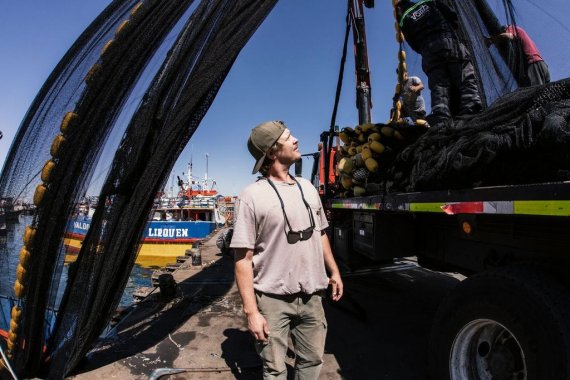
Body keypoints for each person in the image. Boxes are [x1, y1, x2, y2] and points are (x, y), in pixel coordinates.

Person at [230, 120, 343, 379]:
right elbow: (242, 260)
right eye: (289, 137)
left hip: (313, 296)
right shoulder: (251, 196)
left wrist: (334, 272)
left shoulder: (308, 188)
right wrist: (252, 313)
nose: (296, 140)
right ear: (272, 152)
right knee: (274, 369)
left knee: (312, 361)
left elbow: (321, 233)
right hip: (272, 300)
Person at [395, 0, 482, 124]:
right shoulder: (430, 2)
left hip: (428, 51)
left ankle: (441, 117)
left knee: (439, 85)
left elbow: (413, 44)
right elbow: (452, 17)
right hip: (448, 41)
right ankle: (471, 108)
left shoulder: (403, 19)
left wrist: (426, 48)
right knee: (464, 77)